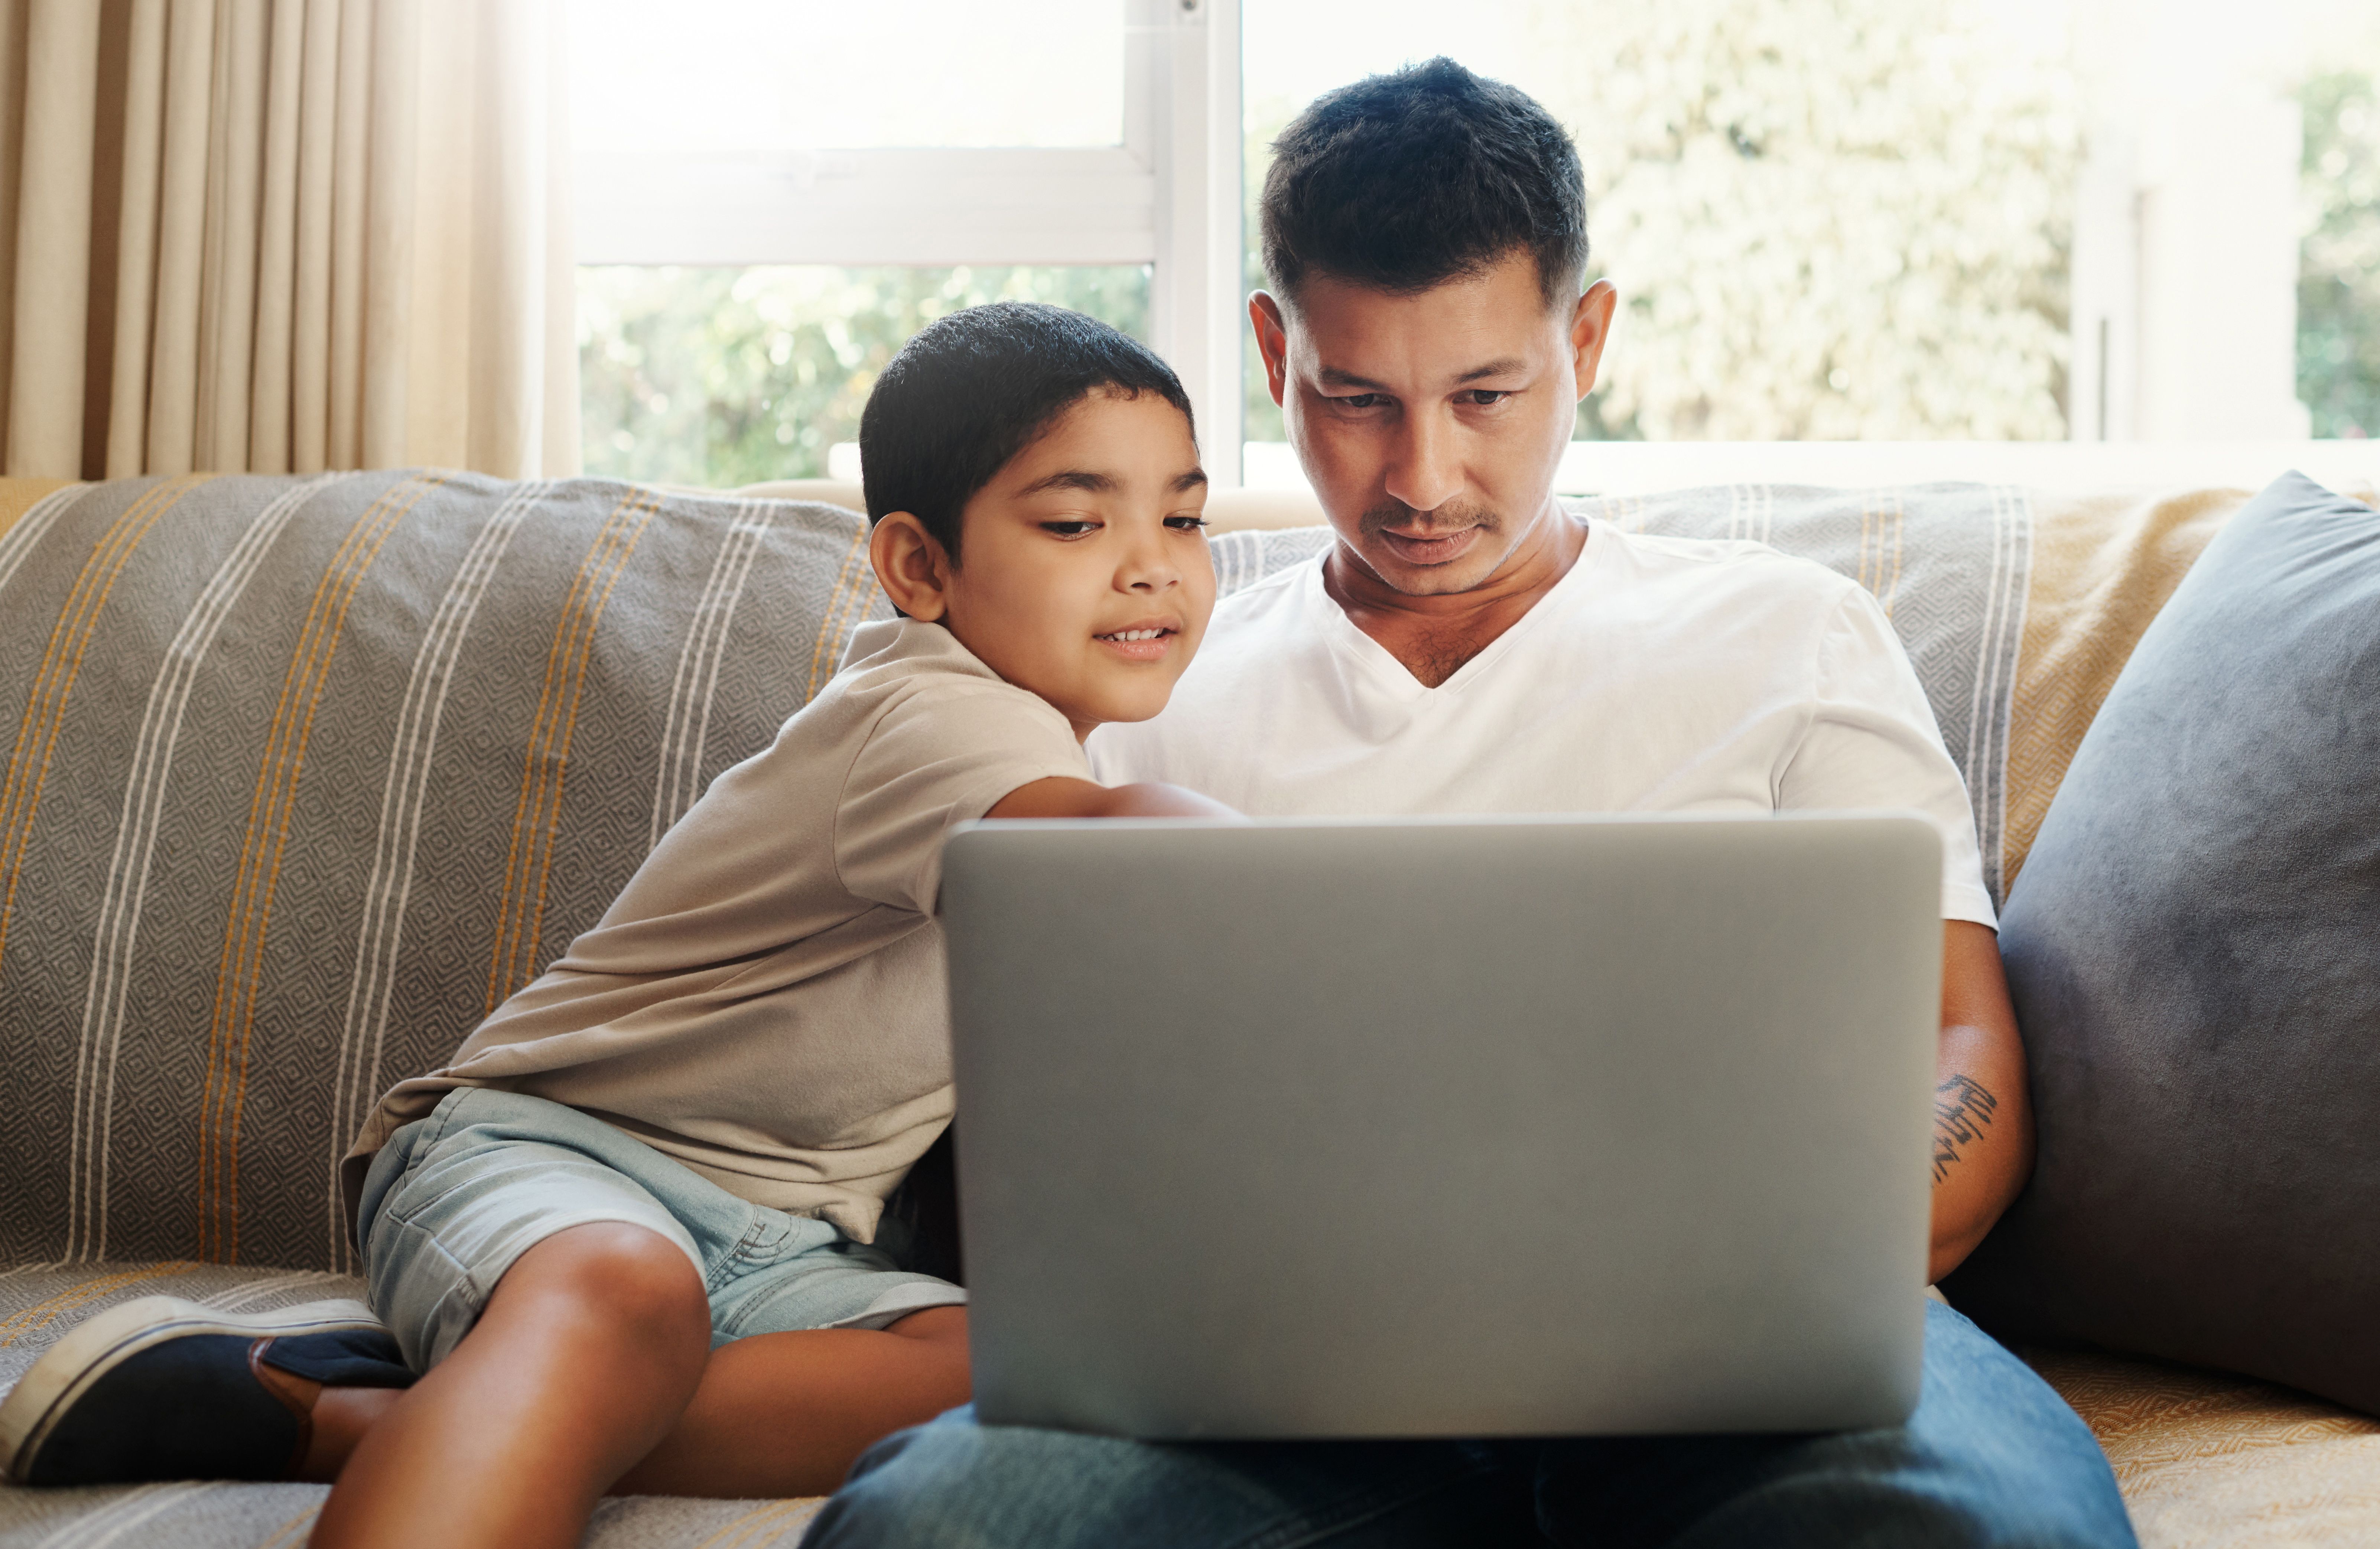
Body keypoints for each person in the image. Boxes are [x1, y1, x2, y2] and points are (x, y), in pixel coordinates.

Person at [797, 61, 2137, 1549]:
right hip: (1261, 1390)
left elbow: (1966, 1043)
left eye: (1485, 395)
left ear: (1588, 338)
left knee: (1997, 1532)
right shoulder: (1123, 693)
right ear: (1271, 348)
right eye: (1356, 397)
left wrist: (1804, 1255)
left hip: (1753, 1370)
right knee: (931, 1529)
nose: (1422, 476)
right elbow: (1010, 1129)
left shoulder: (1791, 635)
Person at [0, 302, 1232, 1549]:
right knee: (622, 1291)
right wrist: (1260, 864)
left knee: (1044, 1374)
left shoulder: (1027, 731)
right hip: (558, 1154)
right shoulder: (932, 712)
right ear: (919, 568)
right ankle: (510, 1393)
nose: (1153, 563)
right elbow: (1099, 854)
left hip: (780, 1238)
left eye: (1182, 516)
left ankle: (367, 1417)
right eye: (1079, 522)